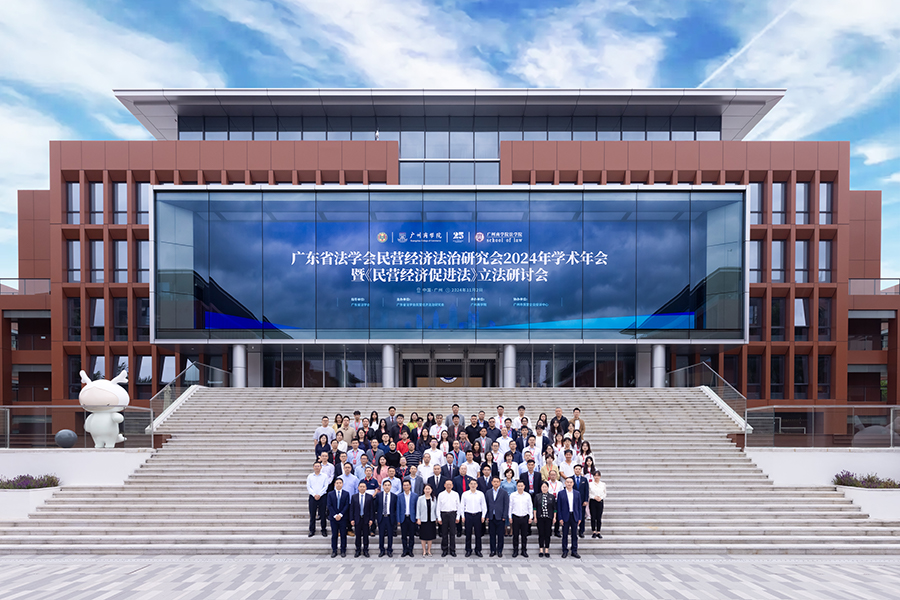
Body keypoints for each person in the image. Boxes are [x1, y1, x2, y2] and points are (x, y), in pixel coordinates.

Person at [460, 478, 487, 557]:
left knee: (478, 534)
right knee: (468, 534)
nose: (473, 485)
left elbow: (484, 506)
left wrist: (483, 516)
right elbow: (462, 506)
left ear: (477, 485)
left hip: (478, 515)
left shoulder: (480, 494)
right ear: (469, 485)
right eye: (471, 484)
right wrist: (462, 516)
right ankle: (468, 550)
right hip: (468, 515)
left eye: (474, 484)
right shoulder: (465, 494)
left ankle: (478, 550)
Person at [558, 476, 582, 558]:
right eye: (567, 482)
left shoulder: (577, 493)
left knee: (574, 535)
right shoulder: (561, 493)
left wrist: (580, 518)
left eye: (570, 482)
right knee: (564, 535)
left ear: (573, 483)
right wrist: (560, 518)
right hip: (565, 516)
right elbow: (559, 507)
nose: (569, 484)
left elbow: (579, 507)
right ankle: (565, 551)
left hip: (574, 516)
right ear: (565, 483)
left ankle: (574, 551)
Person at [485, 476, 509, 557]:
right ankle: (492, 550)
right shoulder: (488, 492)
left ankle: (499, 551)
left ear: (499, 483)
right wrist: (487, 515)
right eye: (494, 481)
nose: (495, 483)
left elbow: (506, 505)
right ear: (492, 482)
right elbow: (486, 505)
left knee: (500, 535)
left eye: (497, 482)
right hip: (491, 517)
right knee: (492, 535)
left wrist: (504, 516)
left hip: (500, 517)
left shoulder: (504, 492)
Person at [508, 480, 534, 558]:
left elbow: (530, 506)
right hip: (515, 517)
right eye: (519, 486)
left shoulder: (527, 495)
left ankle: (524, 550)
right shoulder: (513, 495)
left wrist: (531, 517)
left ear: (524, 486)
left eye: (521, 486)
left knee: (524, 535)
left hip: (525, 517)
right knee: (515, 535)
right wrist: (510, 516)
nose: (520, 487)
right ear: (516, 486)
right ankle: (515, 550)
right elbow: (510, 506)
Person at [436, 478, 461, 557]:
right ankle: (445, 550)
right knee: (444, 533)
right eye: (447, 484)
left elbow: (458, 506)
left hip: (453, 514)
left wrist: (458, 516)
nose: (448, 486)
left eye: (450, 485)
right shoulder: (441, 494)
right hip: (444, 514)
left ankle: (452, 550)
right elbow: (438, 507)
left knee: (453, 533)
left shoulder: (456, 494)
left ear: (452, 486)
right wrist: (439, 518)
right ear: (444, 485)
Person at [327, 477, 351, 557]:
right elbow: (329, 505)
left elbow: (347, 505)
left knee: (343, 534)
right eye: (337, 483)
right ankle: (334, 550)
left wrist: (340, 514)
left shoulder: (346, 493)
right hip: (333, 518)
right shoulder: (330, 494)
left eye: (340, 483)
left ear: (342, 484)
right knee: (334, 535)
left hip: (343, 518)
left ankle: (343, 550)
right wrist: (335, 515)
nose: (338, 484)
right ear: (334, 484)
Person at [350, 480, 374, 557]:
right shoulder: (354, 497)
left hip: (366, 519)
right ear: (358, 488)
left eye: (363, 487)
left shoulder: (369, 497)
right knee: (358, 536)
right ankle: (358, 550)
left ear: (366, 488)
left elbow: (371, 509)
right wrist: (352, 519)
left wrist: (371, 519)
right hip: (357, 519)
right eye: (361, 487)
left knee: (366, 536)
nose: (362, 488)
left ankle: (366, 550)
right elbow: (351, 509)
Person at [374, 480, 398, 557]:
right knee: (381, 535)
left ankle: (389, 550)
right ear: (383, 486)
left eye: (388, 485)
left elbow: (396, 508)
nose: (387, 487)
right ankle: (381, 550)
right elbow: (375, 507)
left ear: (391, 486)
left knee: (390, 535)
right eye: (385, 485)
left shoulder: (394, 496)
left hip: (390, 517)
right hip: (381, 517)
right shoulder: (379, 495)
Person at [306, 461, 329, 538]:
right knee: (312, 514)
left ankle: (323, 529)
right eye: (315, 466)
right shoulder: (310, 476)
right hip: (312, 497)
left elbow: (325, 486)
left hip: (322, 496)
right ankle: (312, 530)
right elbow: (308, 486)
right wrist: (314, 494)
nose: (317, 468)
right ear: (313, 467)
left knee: (323, 514)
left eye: (318, 466)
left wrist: (319, 494)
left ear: (321, 467)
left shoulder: (324, 476)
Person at [533, 481, 556, 558]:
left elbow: (554, 508)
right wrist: (535, 517)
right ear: (541, 488)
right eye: (543, 487)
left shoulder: (552, 496)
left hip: (548, 518)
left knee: (547, 534)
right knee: (541, 534)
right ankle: (541, 549)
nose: (544, 488)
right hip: (540, 517)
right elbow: (535, 508)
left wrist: (554, 517)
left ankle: (546, 549)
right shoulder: (537, 496)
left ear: (548, 488)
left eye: (545, 487)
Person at [397, 478, 418, 557]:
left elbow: (416, 508)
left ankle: (410, 550)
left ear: (410, 486)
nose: (406, 487)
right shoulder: (400, 496)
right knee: (404, 536)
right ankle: (405, 550)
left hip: (412, 518)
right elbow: (398, 508)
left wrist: (417, 518)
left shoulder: (415, 496)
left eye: (407, 485)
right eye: (404, 485)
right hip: (403, 518)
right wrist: (398, 519)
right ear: (402, 486)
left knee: (412, 536)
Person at [416, 483, 438, 556]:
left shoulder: (434, 498)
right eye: (426, 489)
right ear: (424, 490)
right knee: (423, 536)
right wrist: (418, 518)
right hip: (423, 520)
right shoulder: (420, 498)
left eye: (429, 489)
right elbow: (418, 509)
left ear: (431, 490)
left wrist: (436, 517)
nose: (427, 490)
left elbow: (436, 509)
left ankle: (429, 550)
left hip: (431, 520)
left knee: (430, 536)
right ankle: (424, 551)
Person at [572, 464, 590, 538]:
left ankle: (581, 531)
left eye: (579, 469)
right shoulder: (570, 479)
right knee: (573, 516)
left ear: (581, 470)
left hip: (582, 501)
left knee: (582, 516)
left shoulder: (584, 479)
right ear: (574, 470)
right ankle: (574, 530)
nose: (577, 470)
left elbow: (586, 491)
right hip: (572, 501)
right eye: (576, 469)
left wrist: (586, 500)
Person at [546, 469, 564, 537]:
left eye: (554, 475)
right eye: (551, 475)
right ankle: (549, 530)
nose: (553, 476)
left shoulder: (560, 483)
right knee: (550, 516)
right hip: (549, 501)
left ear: (556, 475)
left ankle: (557, 530)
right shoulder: (547, 483)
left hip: (558, 501)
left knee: (557, 516)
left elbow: (562, 492)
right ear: (549, 475)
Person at [589, 471, 607, 539]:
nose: (596, 477)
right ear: (593, 476)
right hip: (593, 501)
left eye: (598, 476)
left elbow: (605, 493)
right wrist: (594, 497)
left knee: (599, 517)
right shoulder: (590, 484)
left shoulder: (603, 484)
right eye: (595, 475)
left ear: (600, 476)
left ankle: (598, 531)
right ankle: (593, 531)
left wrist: (601, 498)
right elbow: (589, 493)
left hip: (600, 501)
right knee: (593, 517)